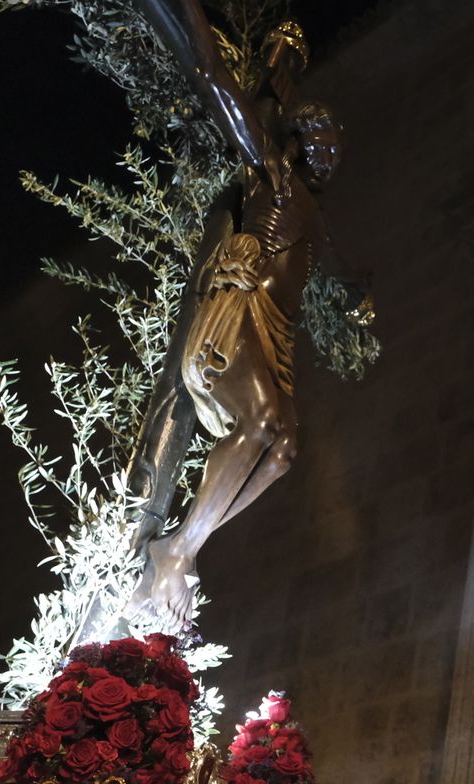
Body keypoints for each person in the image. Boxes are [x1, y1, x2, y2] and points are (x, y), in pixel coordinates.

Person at [121, 0, 361, 631]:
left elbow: (337, 270)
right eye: (323, 143)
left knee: (283, 449)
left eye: (337, 149)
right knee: (259, 422)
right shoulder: (274, 173)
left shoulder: (317, 218)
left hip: (276, 332)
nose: (330, 155)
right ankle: (174, 550)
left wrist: (358, 301)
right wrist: (192, 17)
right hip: (241, 309)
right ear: (301, 143)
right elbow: (215, 81)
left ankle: (184, 545)